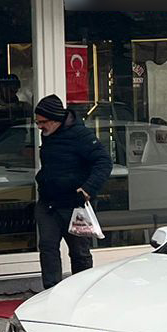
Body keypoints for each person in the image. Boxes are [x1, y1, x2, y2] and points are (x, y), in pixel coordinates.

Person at [33, 93, 113, 287]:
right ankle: (50, 291)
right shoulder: (48, 134)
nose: (39, 127)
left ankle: (82, 290)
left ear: (56, 119)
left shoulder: (81, 135)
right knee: (48, 247)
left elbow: (104, 161)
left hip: (75, 204)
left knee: (79, 253)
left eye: (42, 122)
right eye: (37, 122)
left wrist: (88, 189)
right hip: (49, 203)